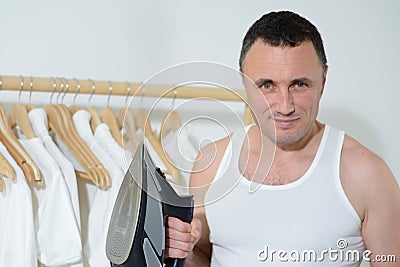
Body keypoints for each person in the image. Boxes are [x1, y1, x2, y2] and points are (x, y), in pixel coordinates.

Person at [165, 11, 400, 266]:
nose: (285, 106)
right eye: (267, 85)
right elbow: (202, 258)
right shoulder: (211, 163)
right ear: (244, 82)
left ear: (323, 81)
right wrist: (185, 252)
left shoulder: (367, 174)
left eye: (299, 84)